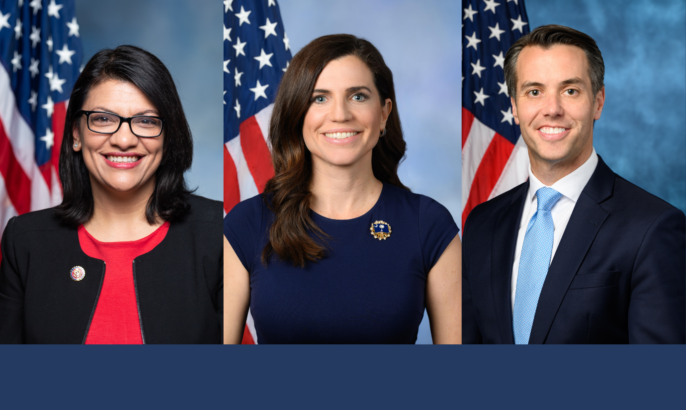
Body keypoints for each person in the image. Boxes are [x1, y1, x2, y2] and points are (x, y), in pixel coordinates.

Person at [224, 34, 461, 344]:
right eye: (319, 98)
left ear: (384, 112)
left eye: (358, 96)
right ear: (298, 114)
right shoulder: (248, 223)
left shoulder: (428, 224)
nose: (340, 114)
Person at [463, 24, 685, 344]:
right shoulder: (482, 224)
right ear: (514, 106)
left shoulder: (652, 228)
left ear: (598, 101)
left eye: (570, 90)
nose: (552, 109)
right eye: (534, 91)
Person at [0, 45, 223, 344]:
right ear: (76, 133)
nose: (124, 139)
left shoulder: (219, 232)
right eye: (102, 119)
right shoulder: (25, 241)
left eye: (146, 121)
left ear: (168, 135)